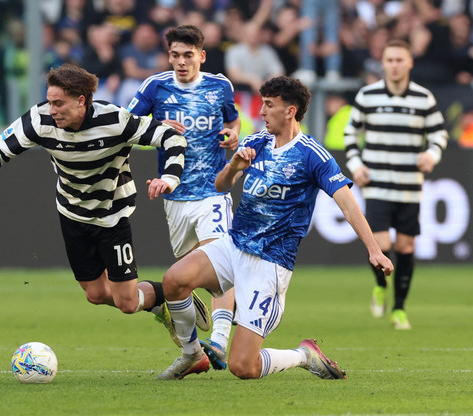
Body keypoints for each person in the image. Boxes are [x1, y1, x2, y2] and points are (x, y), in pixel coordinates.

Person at [155, 76, 394, 380]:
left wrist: (374, 250)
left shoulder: (312, 155)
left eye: (269, 105)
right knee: (174, 280)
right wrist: (233, 168)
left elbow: (347, 203)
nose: (262, 111)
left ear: (290, 111)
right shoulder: (256, 141)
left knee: (244, 367)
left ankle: (304, 355)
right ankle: (193, 356)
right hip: (235, 244)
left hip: (269, 263)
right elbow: (220, 185)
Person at [0, 64, 207, 332]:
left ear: (81, 101)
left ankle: (172, 293)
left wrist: (170, 178)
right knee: (95, 295)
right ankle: (161, 300)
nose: (52, 110)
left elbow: (172, 138)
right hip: (72, 213)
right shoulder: (40, 119)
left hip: (112, 216)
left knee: (126, 303)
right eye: (49, 102)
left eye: (58, 103)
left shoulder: (115, 121)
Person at [127, 25, 240, 370]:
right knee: (187, 274)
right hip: (175, 196)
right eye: (174, 55)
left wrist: (233, 139)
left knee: (220, 262)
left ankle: (219, 342)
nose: (180, 62)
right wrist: (157, 133)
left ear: (201, 56)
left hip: (213, 191)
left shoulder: (220, 86)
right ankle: (193, 349)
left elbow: (233, 124)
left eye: (187, 55)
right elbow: (127, 128)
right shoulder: (154, 87)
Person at [343, 39, 449, 330]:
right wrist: (356, 165)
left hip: (409, 184)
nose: (395, 65)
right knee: (381, 244)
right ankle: (380, 285)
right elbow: (350, 133)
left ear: (410, 62)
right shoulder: (368, 95)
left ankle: (399, 309)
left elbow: (440, 134)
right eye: (390, 60)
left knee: (406, 245)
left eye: (400, 60)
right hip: (377, 183)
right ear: (383, 63)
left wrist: (432, 154)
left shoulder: (423, 98)